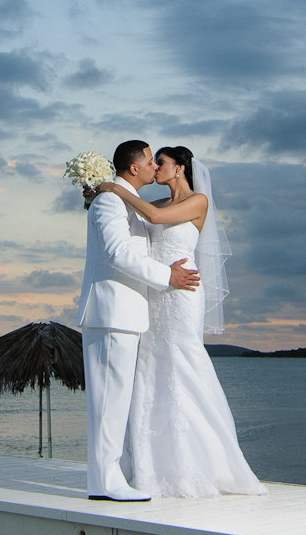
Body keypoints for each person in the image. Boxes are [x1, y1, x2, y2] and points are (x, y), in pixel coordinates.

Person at [92, 145, 266, 498]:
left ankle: (210, 462)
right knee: (151, 371)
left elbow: (153, 221)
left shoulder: (198, 201)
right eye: (153, 162)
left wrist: (115, 188)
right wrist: (98, 193)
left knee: (184, 364)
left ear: (180, 168)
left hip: (182, 293)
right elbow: (134, 219)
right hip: (155, 293)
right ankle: (153, 464)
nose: (156, 168)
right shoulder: (155, 204)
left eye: (163, 163)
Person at [76, 140, 200, 501]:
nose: (153, 166)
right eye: (149, 160)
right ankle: (105, 482)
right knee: (108, 400)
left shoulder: (123, 200)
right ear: (134, 168)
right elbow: (116, 253)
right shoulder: (110, 201)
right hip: (112, 311)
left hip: (128, 312)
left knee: (117, 399)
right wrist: (167, 277)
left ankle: (109, 477)